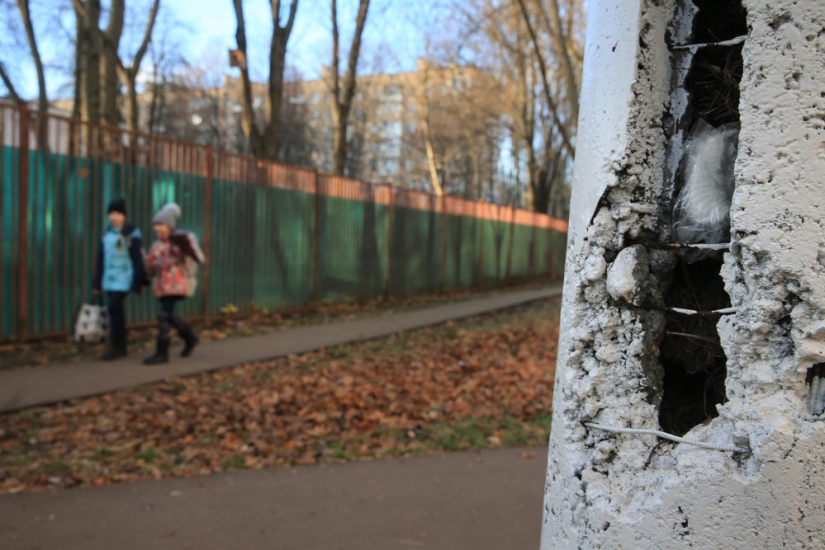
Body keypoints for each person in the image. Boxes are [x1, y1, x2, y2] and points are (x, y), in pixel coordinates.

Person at [143, 202, 201, 365]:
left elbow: (187, 257)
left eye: (161, 224)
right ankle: (189, 338)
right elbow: (150, 266)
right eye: (156, 225)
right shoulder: (155, 245)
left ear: (169, 225)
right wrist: (150, 266)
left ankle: (162, 352)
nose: (158, 228)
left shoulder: (177, 243)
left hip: (175, 284)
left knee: (162, 315)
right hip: (162, 285)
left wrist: (175, 252)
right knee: (168, 315)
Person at [92, 198, 145, 361]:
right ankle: (119, 346)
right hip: (109, 280)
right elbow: (100, 259)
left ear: (124, 216)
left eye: (118, 213)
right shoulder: (107, 234)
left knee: (113, 307)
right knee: (115, 312)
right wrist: (96, 283)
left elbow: (138, 260)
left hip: (124, 279)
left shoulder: (132, 234)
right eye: (111, 213)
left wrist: (136, 284)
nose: (114, 217)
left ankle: (118, 345)